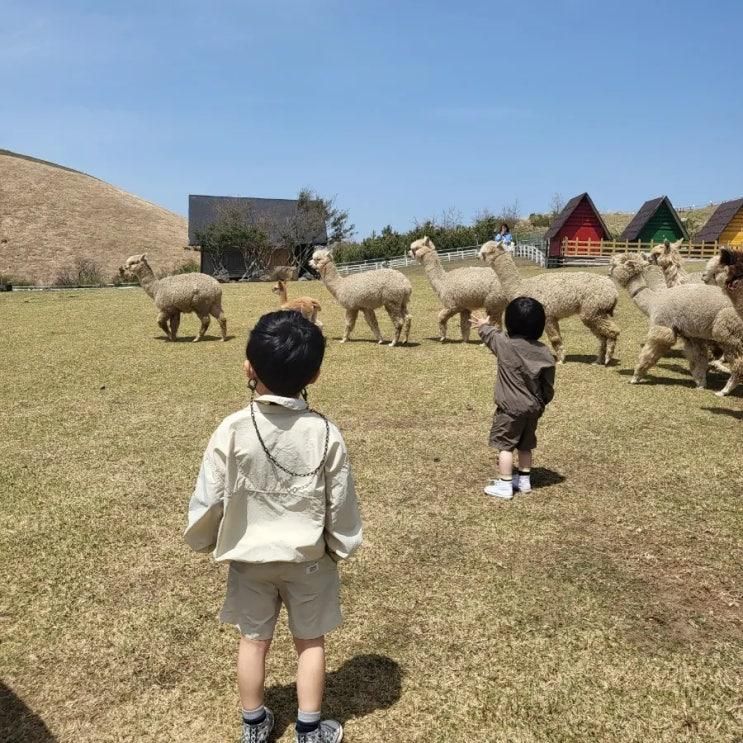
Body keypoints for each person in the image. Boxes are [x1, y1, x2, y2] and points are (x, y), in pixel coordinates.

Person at [185, 311, 362, 743]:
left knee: (252, 640)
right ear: (316, 374)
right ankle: (309, 729)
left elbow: (210, 496)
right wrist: (340, 545)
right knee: (311, 641)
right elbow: (340, 501)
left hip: (249, 559)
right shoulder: (325, 433)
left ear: (248, 367)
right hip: (308, 561)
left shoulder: (232, 429)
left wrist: (205, 539)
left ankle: (255, 725)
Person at [470, 297, 555, 500]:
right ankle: (524, 481)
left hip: (510, 409)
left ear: (510, 322)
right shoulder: (545, 353)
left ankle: (505, 484)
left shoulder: (505, 344)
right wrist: (541, 402)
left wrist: (483, 325)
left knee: (506, 446)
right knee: (525, 445)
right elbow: (548, 386)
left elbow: (490, 335)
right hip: (533, 408)